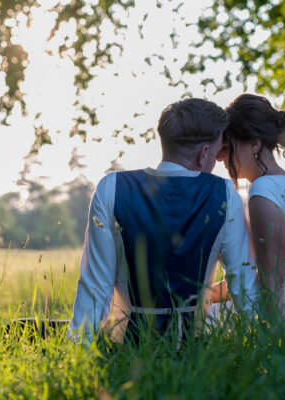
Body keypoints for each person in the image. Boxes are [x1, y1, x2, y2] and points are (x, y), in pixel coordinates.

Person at [68, 98, 258, 344]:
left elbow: (95, 285)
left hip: (124, 344)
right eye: (217, 151)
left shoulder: (111, 187)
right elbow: (242, 283)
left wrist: (78, 349)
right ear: (203, 154)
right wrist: (259, 342)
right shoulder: (224, 193)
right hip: (192, 346)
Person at [210, 94, 285, 321]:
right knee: (209, 310)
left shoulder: (263, 193)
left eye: (227, 147)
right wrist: (204, 295)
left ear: (254, 144)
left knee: (204, 319)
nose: (220, 158)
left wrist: (278, 345)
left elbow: (272, 288)